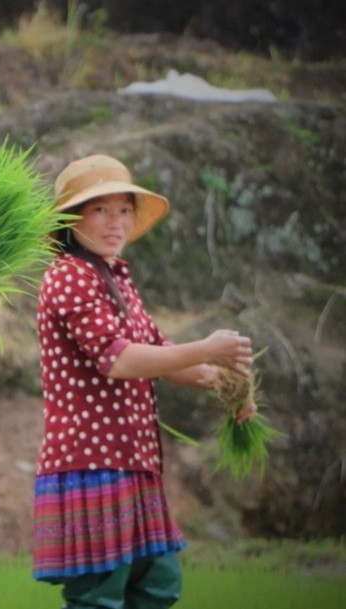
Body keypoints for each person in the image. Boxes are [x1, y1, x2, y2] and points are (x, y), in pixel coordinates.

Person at [32, 155, 258, 609]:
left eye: (124, 209)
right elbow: (117, 360)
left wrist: (227, 383)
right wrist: (205, 349)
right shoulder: (67, 277)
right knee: (100, 597)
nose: (115, 222)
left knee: (157, 586)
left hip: (135, 461)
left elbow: (161, 354)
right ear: (72, 218)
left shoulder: (116, 278)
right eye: (100, 210)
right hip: (92, 463)